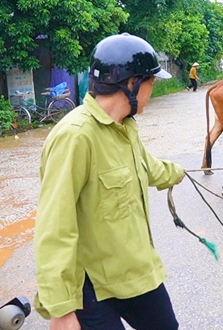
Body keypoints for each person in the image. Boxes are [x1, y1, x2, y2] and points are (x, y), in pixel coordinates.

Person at [33, 33, 185, 330]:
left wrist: (178, 172)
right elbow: (54, 228)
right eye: (151, 82)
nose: (152, 90)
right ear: (132, 83)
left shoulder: (125, 126)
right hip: (90, 286)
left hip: (132, 270)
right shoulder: (75, 137)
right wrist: (61, 310)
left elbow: (148, 167)